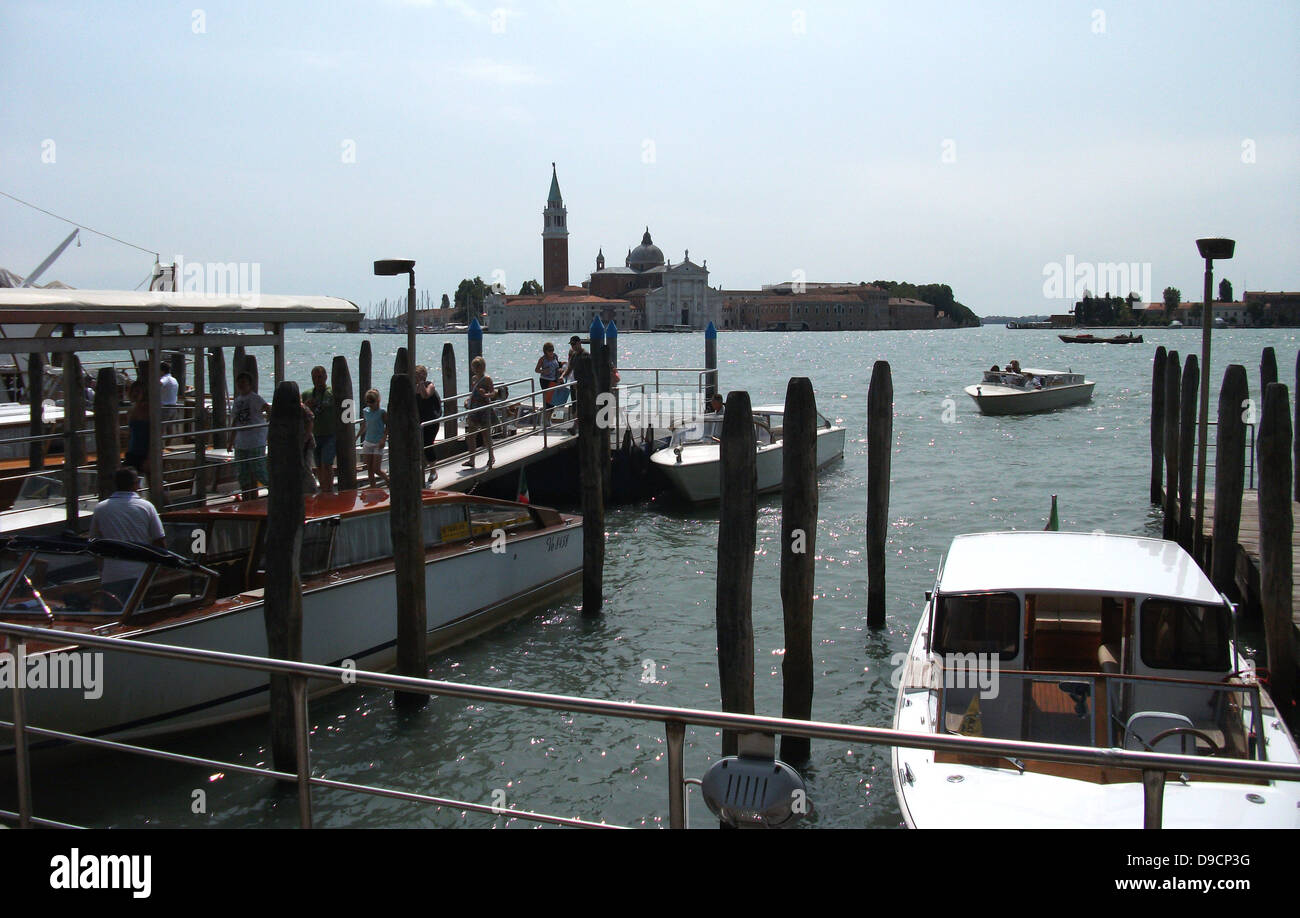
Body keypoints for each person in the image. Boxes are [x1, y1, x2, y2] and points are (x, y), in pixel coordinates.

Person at [89, 467, 165, 600]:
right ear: (136, 484)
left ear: (116, 484)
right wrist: (161, 569)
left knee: (115, 612)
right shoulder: (146, 507)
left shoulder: (101, 508)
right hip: (141, 573)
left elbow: (94, 543)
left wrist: (101, 569)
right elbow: (159, 540)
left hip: (112, 573)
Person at [231, 371, 270, 501]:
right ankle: (248, 499)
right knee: (243, 473)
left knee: (259, 471)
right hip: (241, 441)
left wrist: (268, 425)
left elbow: (268, 409)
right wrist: (230, 440)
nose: (241, 385)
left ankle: (275, 492)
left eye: (244, 383)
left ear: (250, 384)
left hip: (255, 440)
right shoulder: (237, 401)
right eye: (239, 383)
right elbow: (235, 421)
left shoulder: (255, 398)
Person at [304, 365, 337, 493]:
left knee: (327, 464)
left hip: (330, 434)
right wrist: (306, 406)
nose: (317, 380)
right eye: (314, 377)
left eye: (319, 377)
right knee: (318, 466)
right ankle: (323, 490)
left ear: (325, 377)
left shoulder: (332, 392)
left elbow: (345, 409)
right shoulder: (307, 394)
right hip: (315, 434)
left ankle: (329, 491)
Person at [463, 355, 496, 470]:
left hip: (483, 409)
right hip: (474, 408)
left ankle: (491, 456)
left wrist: (485, 394)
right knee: (471, 435)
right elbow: (473, 392)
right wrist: (468, 400)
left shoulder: (487, 379)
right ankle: (472, 459)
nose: (476, 369)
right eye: (474, 367)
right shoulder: (473, 378)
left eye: (478, 367)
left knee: (485, 435)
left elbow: (493, 393)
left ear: (483, 367)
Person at [414, 365, 442, 484]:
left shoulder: (430, 385)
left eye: (419, 375)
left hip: (431, 421)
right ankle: (422, 470)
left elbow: (425, 396)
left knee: (427, 444)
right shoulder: (414, 387)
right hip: (419, 422)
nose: (416, 377)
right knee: (418, 446)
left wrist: (421, 383)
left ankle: (433, 471)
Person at [357, 388, 389, 487]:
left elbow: (388, 425)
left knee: (376, 469)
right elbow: (364, 425)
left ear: (377, 401)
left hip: (378, 443)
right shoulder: (365, 411)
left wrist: (384, 439)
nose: (370, 404)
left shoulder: (382, 412)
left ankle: (389, 481)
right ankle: (373, 488)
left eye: (372, 401)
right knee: (369, 469)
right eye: (368, 401)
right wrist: (356, 437)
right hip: (368, 441)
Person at [124, 381, 151, 480]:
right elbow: (131, 433)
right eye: (133, 391)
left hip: (145, 452)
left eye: (138, 391)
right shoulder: (131, 410)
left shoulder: (148, 409)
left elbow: (155, 435)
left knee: (150, 481)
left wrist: (149, 457)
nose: (135, 394)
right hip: (132, 451)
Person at [536, 342, 562, 409]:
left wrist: (558, 379)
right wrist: (544, 371)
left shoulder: (555, 356)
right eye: (549, 350)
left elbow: (557, 368)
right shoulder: (542, 359)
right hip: (545, 380)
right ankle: (546, 416)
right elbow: (536, 370)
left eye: (552, 350)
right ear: (545, 351)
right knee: (547, 401)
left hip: (554, 379)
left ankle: (549, 416)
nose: (551, 352)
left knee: (553, 401)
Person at [159, 362, 180, 427]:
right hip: (173, 406)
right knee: (169, 428)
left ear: (161, 371)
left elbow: (160, 383)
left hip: (165, 407)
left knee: (160, 428)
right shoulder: (174, 379)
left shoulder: (165, 378)